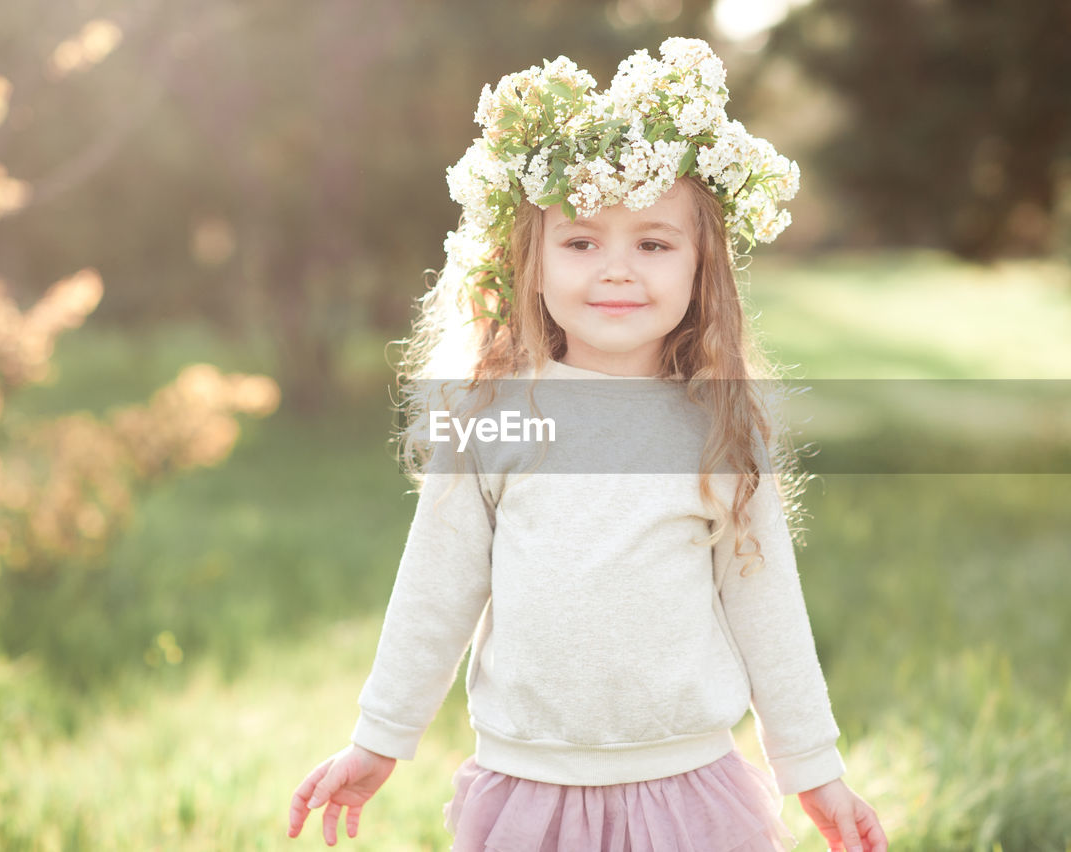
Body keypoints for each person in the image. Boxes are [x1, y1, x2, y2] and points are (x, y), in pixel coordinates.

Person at [287, 38, 887, 852]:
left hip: (689, 791)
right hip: (530, 788)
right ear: (529, 263)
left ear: (701, 266)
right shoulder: (496, 415)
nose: (616, 270)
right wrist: (379, 737)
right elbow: (437, 584)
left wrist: (813, 768)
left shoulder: (717, 424)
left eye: (653, 243)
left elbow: (765, 600)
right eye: (580, 242)